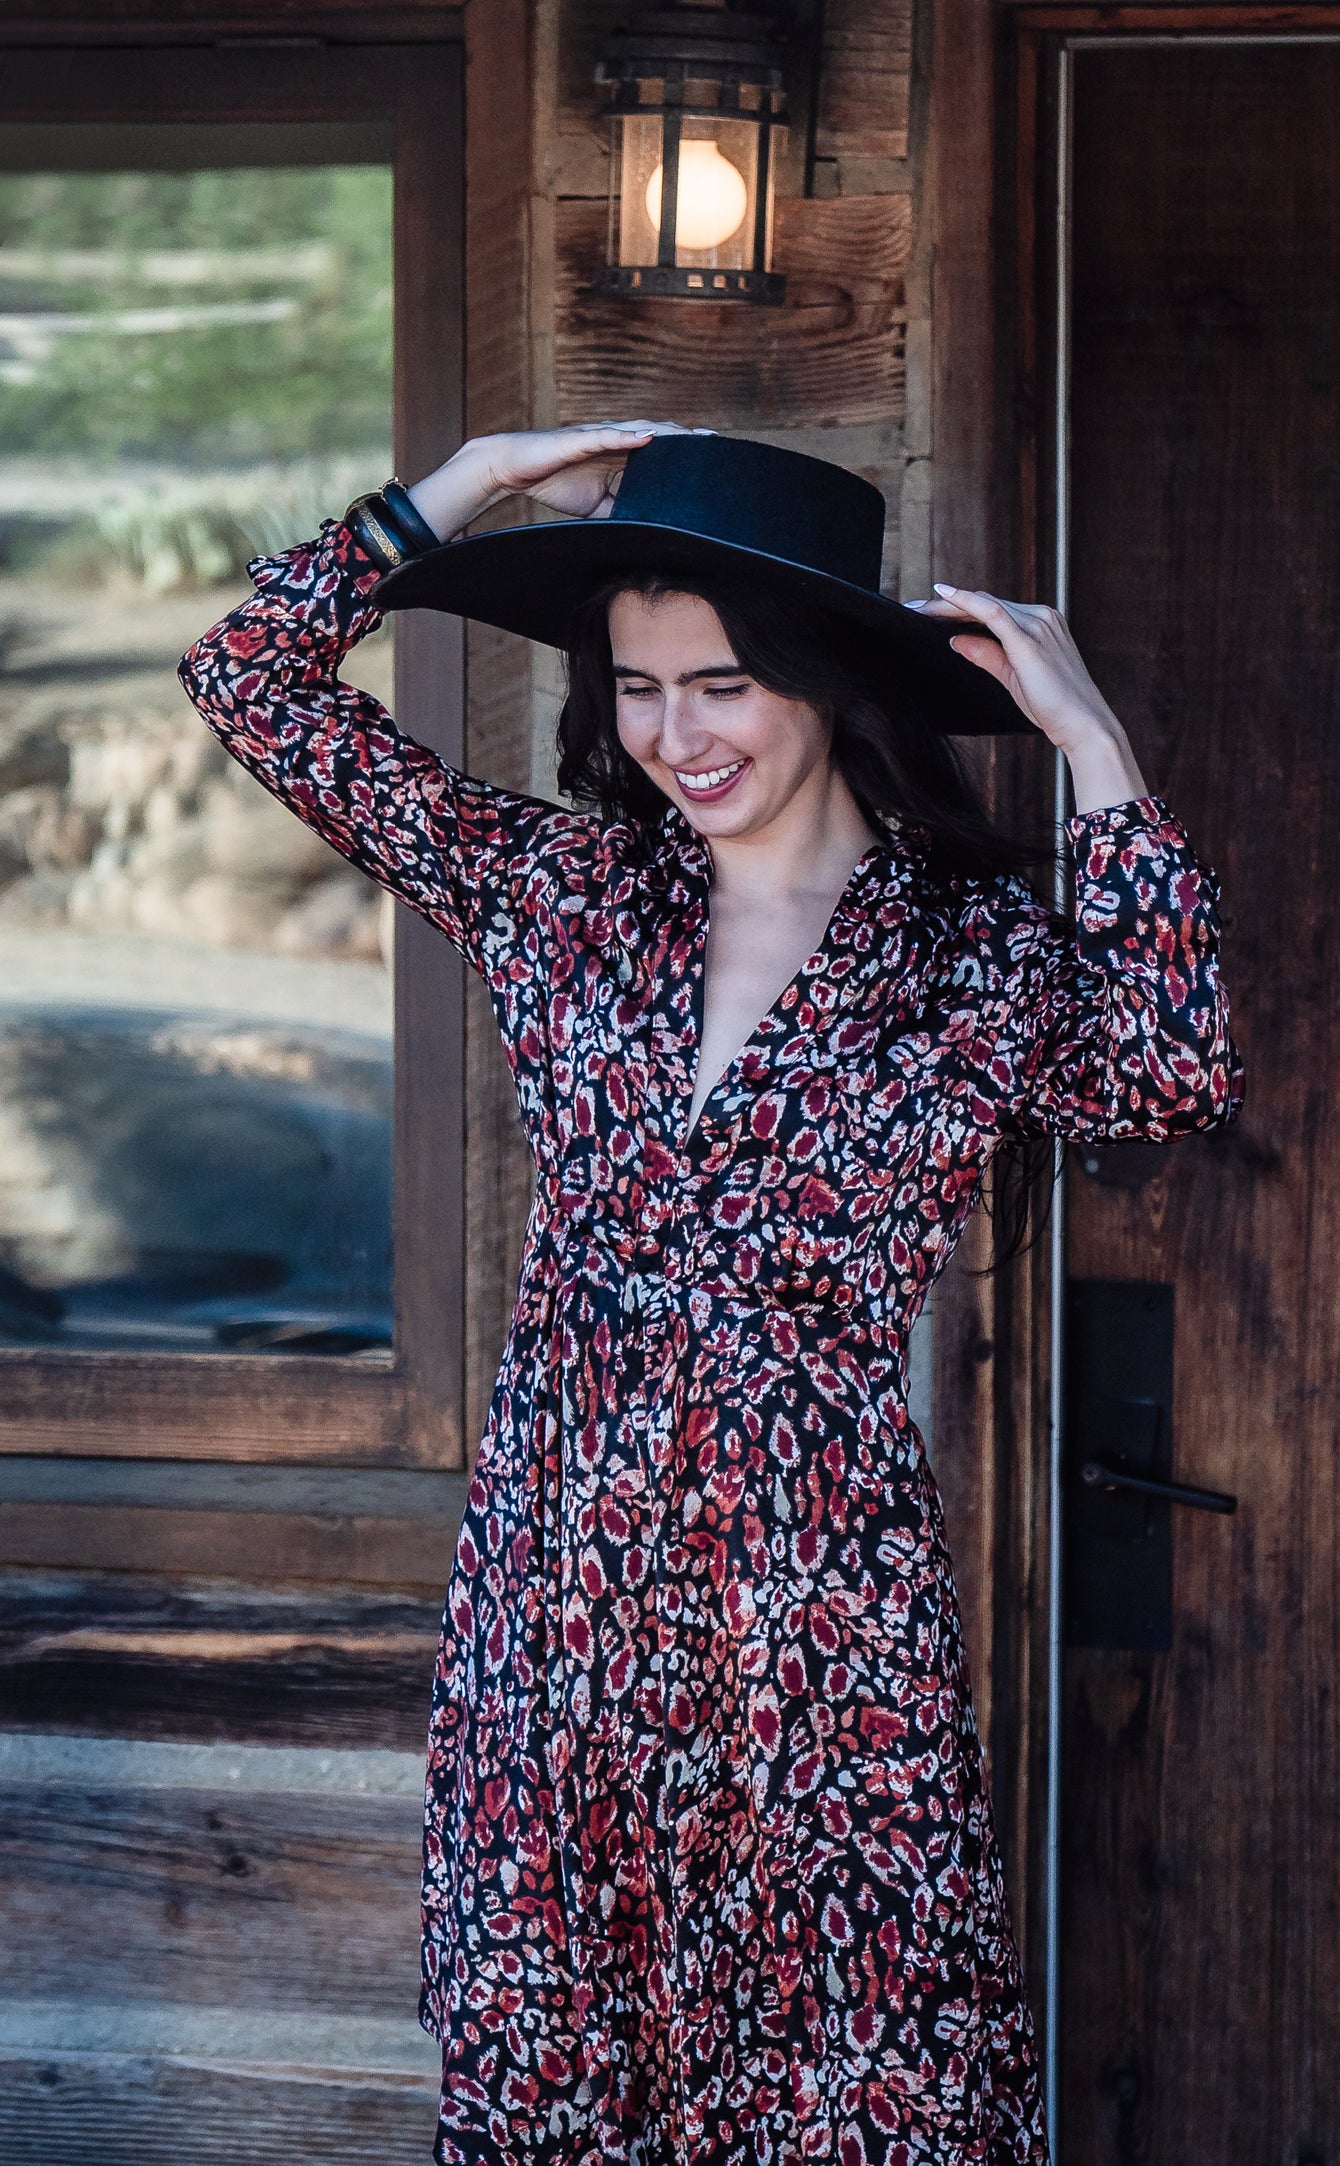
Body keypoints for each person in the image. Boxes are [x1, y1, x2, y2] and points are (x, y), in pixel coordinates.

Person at [178, 421, 1243, 2166]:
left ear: (821, 680)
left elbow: (1167, 1070)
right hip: (557, 1613)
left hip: (812, 1627)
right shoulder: (567, 895)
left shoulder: (964, 958)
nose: (677, 735)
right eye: (640, 687)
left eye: (725, 683)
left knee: (850, 2091)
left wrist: (1093, 750)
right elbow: (256, 682)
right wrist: (469, 481)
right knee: (556, 2081)